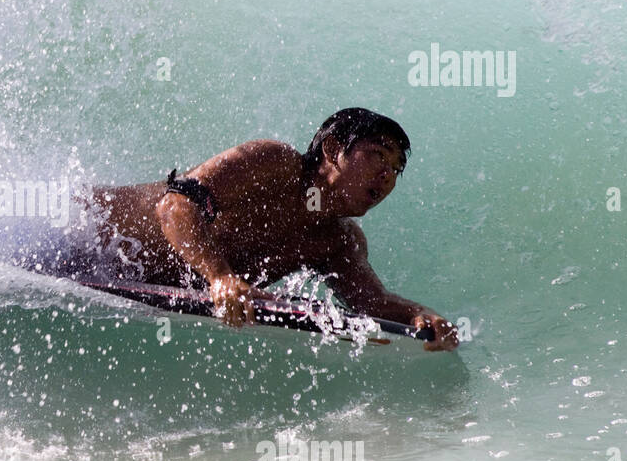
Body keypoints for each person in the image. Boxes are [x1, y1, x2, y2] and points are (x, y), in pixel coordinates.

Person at [78, 108, 459, 351]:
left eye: (395, 169)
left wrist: (419, 315)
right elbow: (175, 205)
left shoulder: (337, 241)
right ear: (330, 149)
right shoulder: (274, 165)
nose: (385, 175)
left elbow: (370, 304)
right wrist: (220, 277)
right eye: (376, 155)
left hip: (122, 277)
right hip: (80, 231)